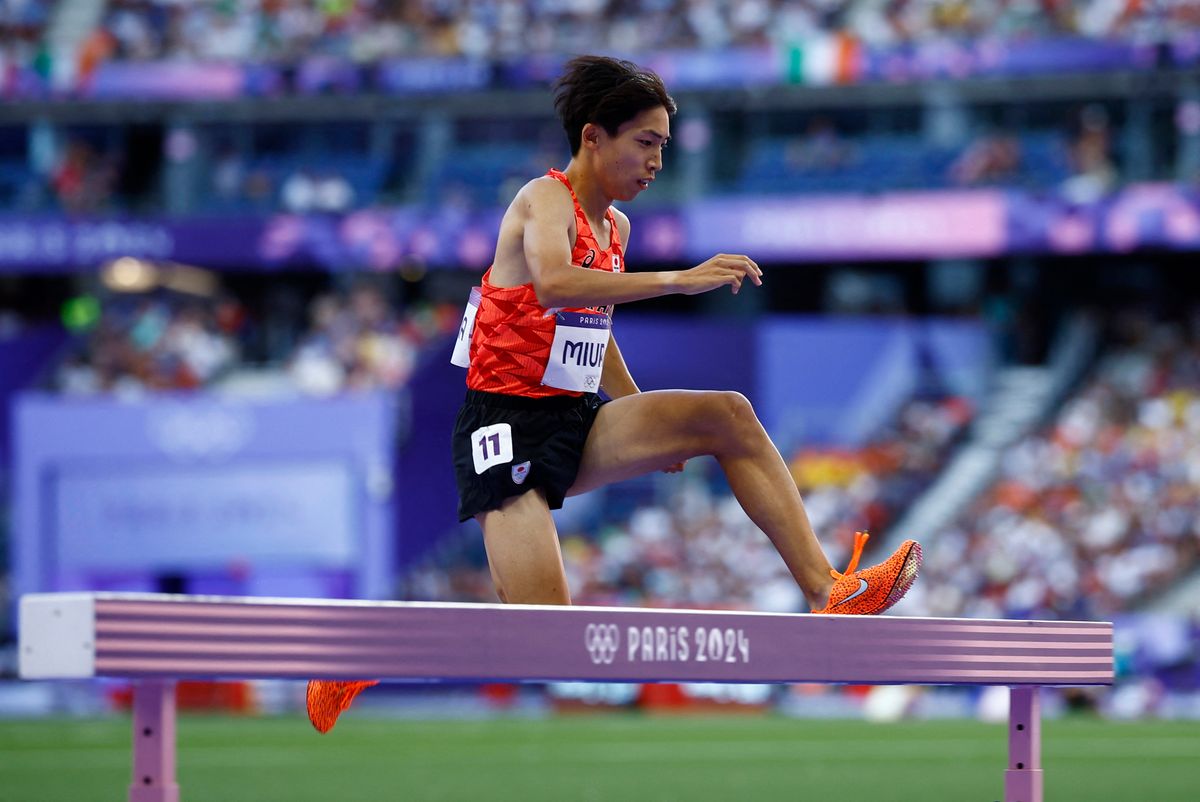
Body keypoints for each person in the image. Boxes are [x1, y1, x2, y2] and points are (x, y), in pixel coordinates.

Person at [307, 55, 922, 733]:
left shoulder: (617, 230)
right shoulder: (541, 200)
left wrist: (634, 409)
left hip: (577, 416)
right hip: (505, 427)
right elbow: (555, 285)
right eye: (646, 143)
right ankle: (359, 649)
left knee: (728, 415)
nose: (657, 161)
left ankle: (829, 590)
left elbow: (590, 328)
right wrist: (676, 281)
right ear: (594, 137)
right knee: (548, 640)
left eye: (663, 146)